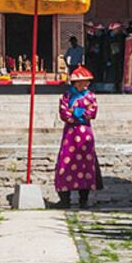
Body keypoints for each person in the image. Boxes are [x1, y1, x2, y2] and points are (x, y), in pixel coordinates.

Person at [54, 66, 102, 208]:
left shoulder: (91, 96)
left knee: (85, 164)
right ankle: (65, 199)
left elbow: (92, 112)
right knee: (65, 162)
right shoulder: (66, 97)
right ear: (75, 83)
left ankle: (83, 199)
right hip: (70, 134)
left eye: (87, 81)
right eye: (82, 82)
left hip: (85, 134)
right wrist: (76, 114)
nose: (86, 84)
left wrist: (77, 113)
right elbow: (64, 114)